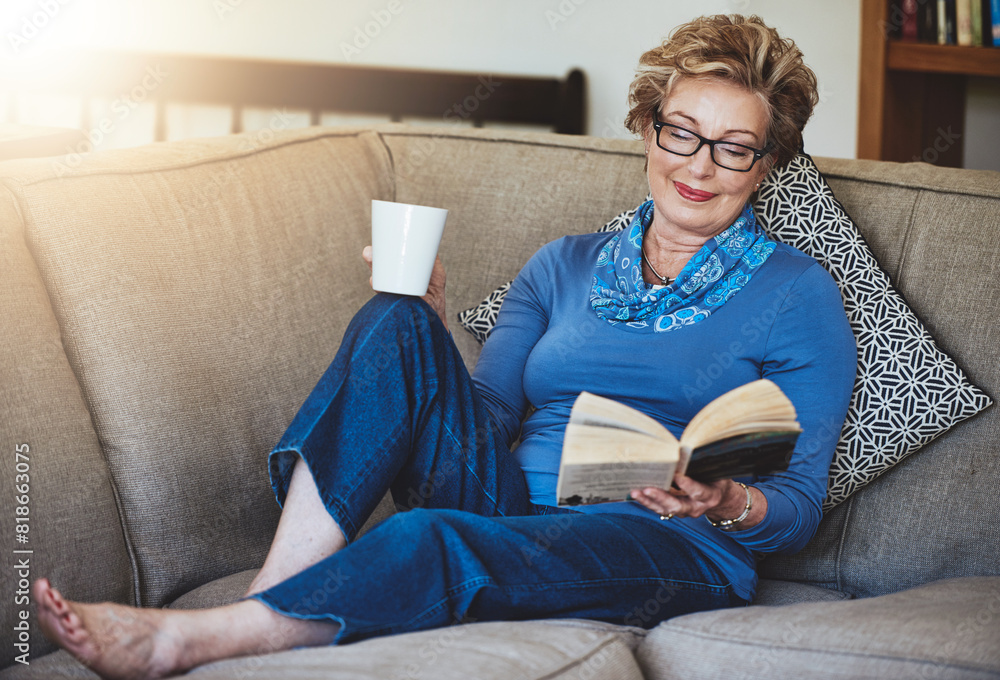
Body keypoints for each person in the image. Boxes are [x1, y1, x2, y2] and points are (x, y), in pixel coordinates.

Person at [33, 14, 856, 679]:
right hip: (511, 501)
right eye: (681, 132)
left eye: (734, 146)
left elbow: (798, 511)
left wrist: (724, 501)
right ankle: (277, 596)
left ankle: (190, 641)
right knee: (395, 321)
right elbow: (490, 415)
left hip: (664, 543)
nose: (699, 165)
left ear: (767, 163)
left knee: (430, 539)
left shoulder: (796, 294)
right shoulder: (561, 264)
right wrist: (432, 335)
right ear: (648, 129)